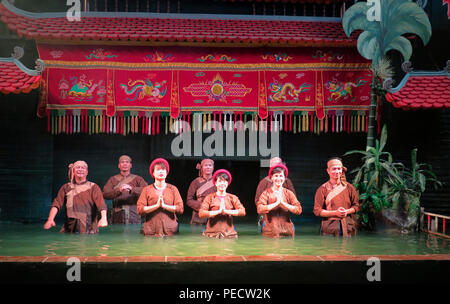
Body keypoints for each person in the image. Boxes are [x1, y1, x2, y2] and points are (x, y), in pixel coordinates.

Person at [43, 160, 108, 234]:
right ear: (73, 171)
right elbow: (57, 203)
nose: (80, 169)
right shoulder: (66, 187)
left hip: (88, 228)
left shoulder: (93, 187)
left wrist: (104, 218)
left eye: (83, 168)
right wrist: (50, 219)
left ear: (87, 172)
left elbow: (101, 204)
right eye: (77, 167)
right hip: (70, 227)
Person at [137, 158, 184, 237]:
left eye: (163, 169)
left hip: (170, 231)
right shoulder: (146, 190)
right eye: (158, 169)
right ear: (153, 173)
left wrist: (164, 206)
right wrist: (156, 206)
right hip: (151, 231)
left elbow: (180, 208)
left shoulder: (173, 189)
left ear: (166, 172)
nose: (161, 171)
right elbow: (140, 209)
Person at [313, 157, 359, 236]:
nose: (337, 171)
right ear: (328, 171)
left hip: (348, 228)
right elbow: (317, 211)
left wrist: (346, 212)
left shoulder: (349, 187)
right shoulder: (322, 189)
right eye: (334, 169)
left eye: (339, 169)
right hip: (330, 229)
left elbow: (356, 206)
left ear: (342, 170)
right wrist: (335, 213)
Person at [256, 163, 302, 238]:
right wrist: (275, 204)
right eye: (276, 176)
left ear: (284, 178)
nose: (278, 178)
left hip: (287, 232)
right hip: (271, 233)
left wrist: (284, 204)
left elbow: (299, 210)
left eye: (281, 176)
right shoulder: (266, 193)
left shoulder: (289, 193)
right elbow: (259, 209)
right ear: (271, 178)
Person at [199, 169, 246, 239]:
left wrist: (226, 211)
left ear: (227, 183)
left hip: (229, 234)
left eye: (225, 181)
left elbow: (242, 212)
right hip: (211, 234)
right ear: (215, 183)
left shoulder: (232, 197)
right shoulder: (209, 197)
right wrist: (218, 212)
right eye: (220, 181)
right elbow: (201, 213)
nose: (222, 184)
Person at [102, 155, 148, 224]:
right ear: (119, 165)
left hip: (133, 214)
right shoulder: (112, 179)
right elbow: (105, 194)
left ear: (130, 165)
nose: (125, 164)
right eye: (122, 162)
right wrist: (119, 190)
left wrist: (132, 189)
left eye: (127, 162)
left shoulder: (138, 179)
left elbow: (147, 190)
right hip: (118, 214)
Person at [254, 157, 296, 226]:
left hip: (283, 216)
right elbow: (258, 201)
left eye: (278, 164)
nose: (277, 166)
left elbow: (293, 200)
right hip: (268, 216)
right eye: (274, 164)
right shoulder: (263, 182)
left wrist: (284, 205)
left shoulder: (287, 182)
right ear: (270, 166)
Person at [186, 158, 216, 226]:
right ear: (202, 167)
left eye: (210, 165)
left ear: (213, 167)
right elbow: (189, 200)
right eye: (205, 165)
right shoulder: (195, 182)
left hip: (214, 213)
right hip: (198, 215)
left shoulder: (218, 181)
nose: (208, 167)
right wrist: (202, 206)